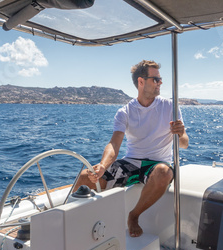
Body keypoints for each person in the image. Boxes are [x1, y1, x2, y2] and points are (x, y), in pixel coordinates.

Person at [74, 60, 189, 237]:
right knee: (84, 178)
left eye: (160, 79)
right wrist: (103, 166)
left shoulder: (170, 107)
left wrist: (181, 134)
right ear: (141, 82)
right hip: (131, 163)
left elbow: (184, 144)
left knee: (163, 173)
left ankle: (134, 215)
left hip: (157, 164)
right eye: (156, 79)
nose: (160, 83)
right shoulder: (125, 112)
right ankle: (74, 224)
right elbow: (114, 143)